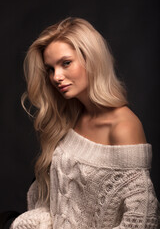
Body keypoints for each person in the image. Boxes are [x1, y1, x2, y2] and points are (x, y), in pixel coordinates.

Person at [10, 17, 159, 228]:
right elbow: (57, 203)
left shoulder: (123, 126)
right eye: (50, 69)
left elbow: (143, 220)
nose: (56, 77)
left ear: (92, 59)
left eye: (66, 63)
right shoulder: (71, 116)